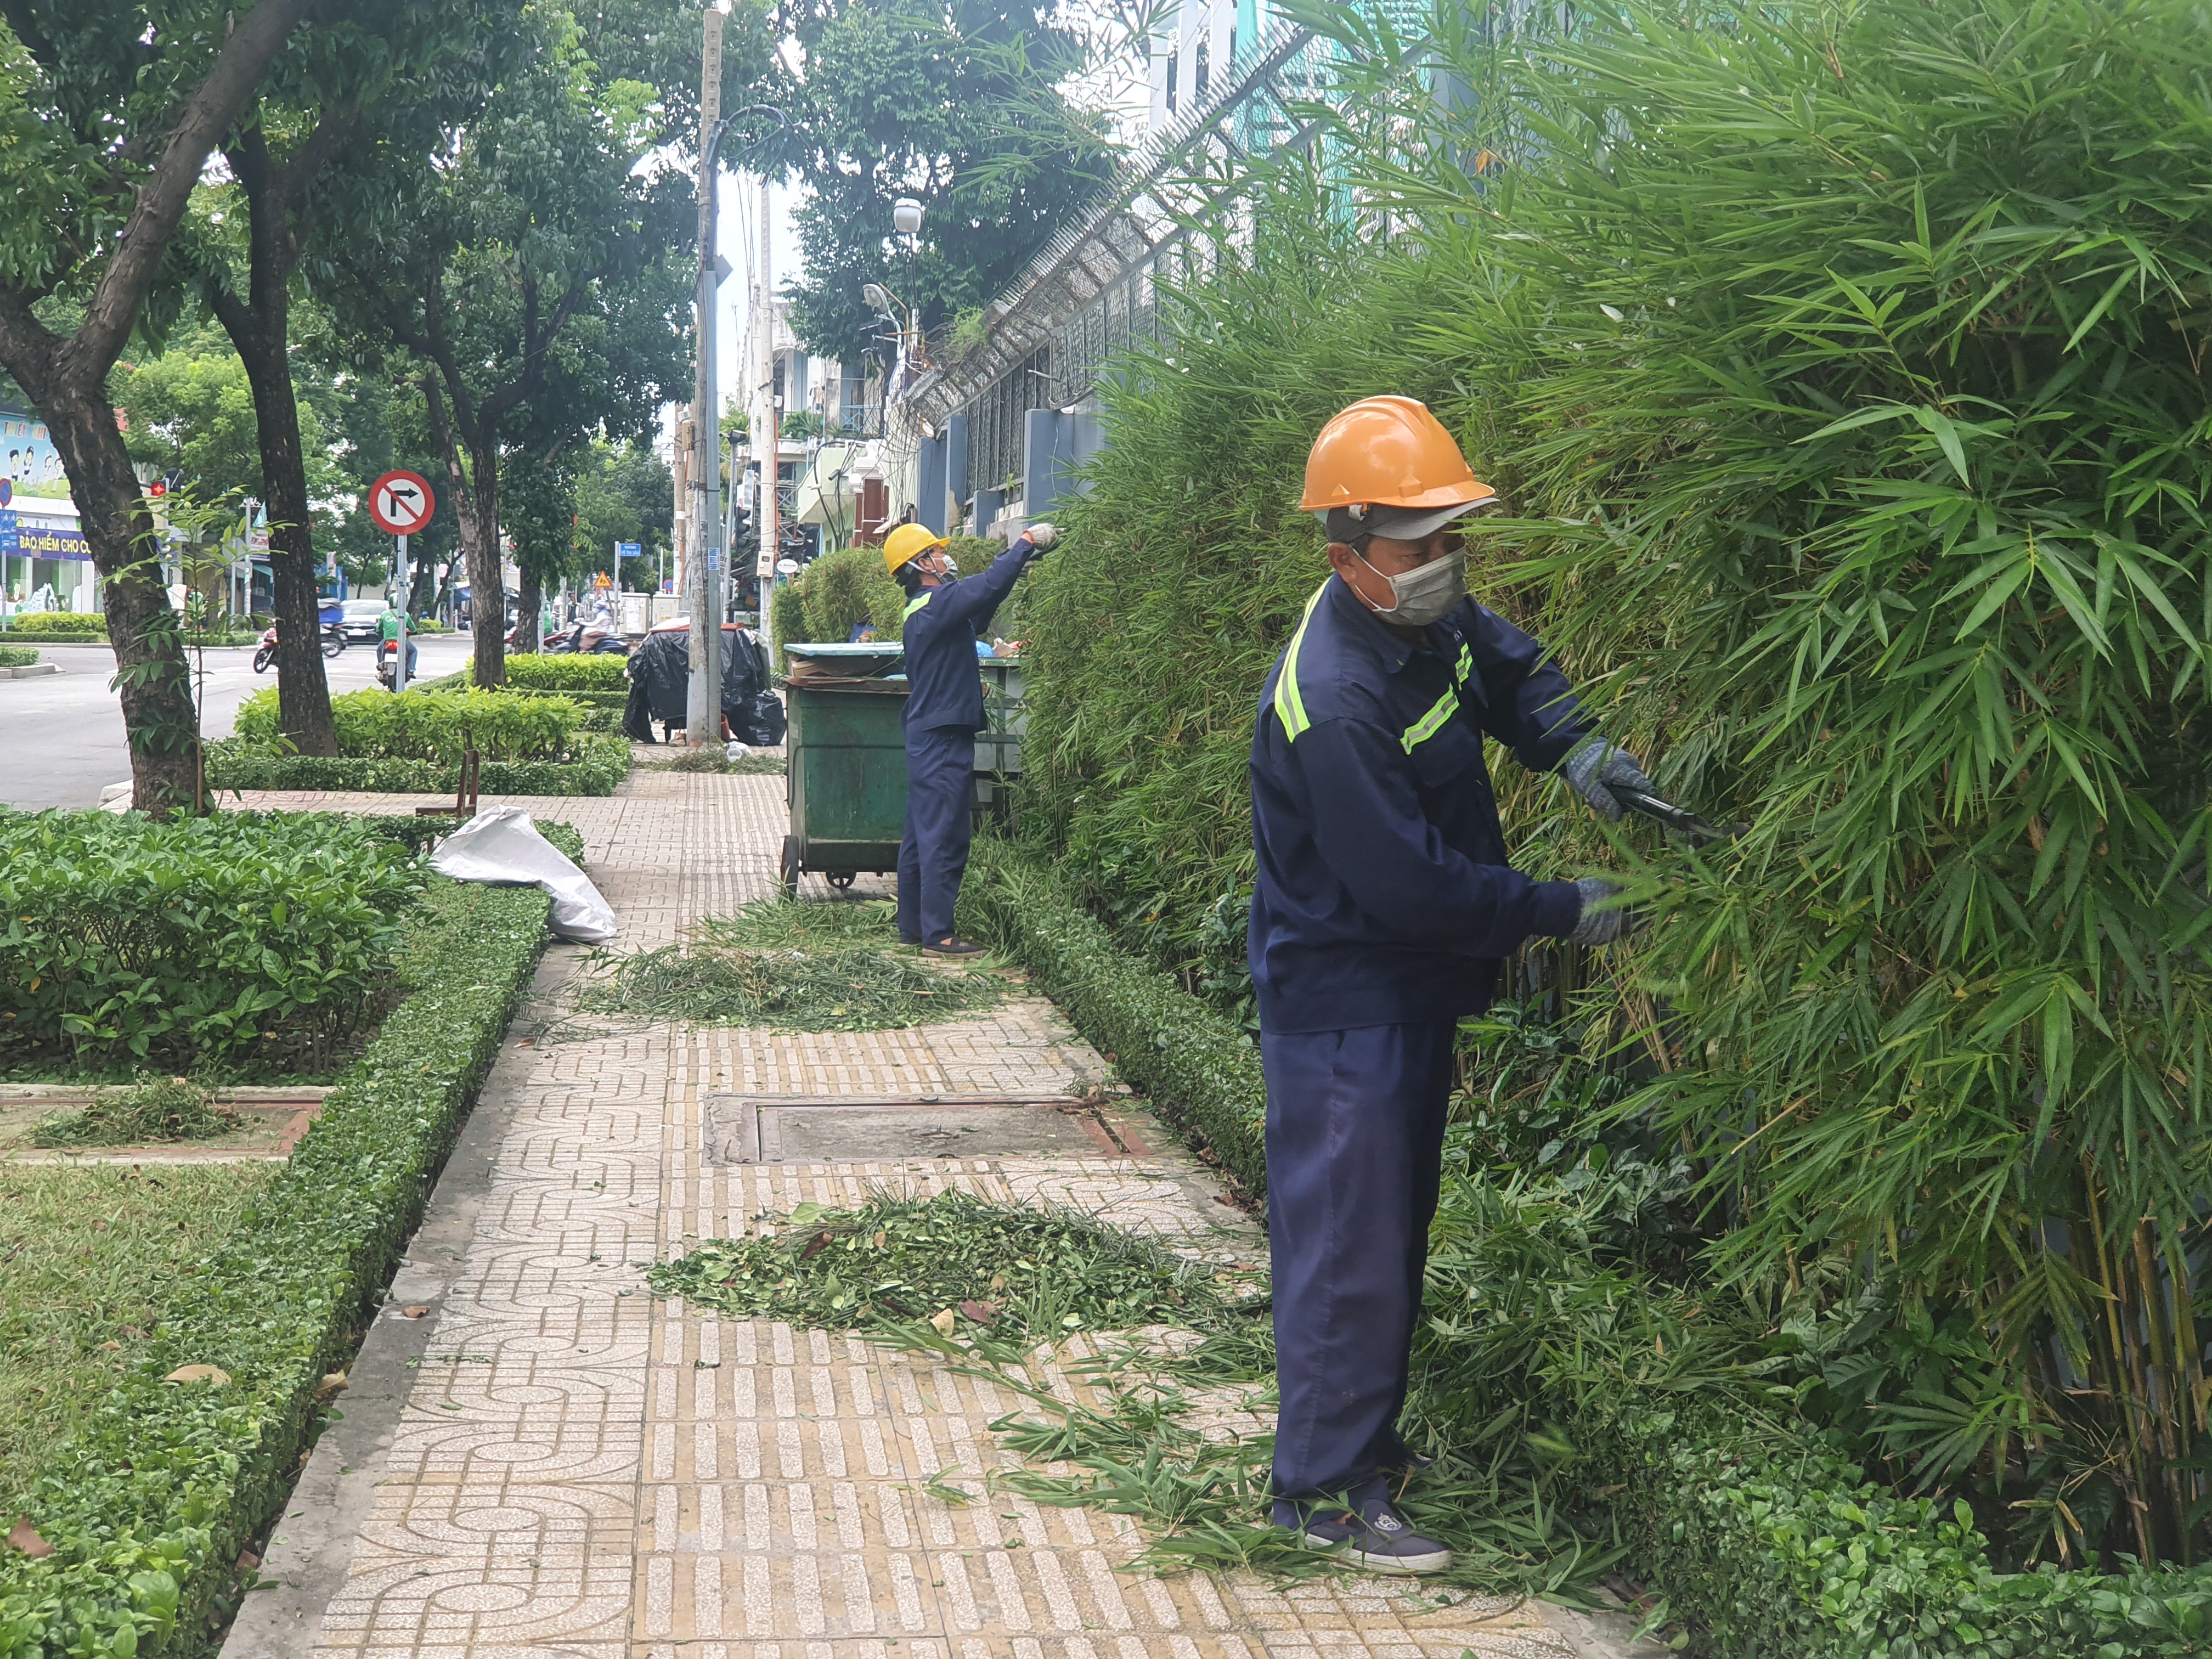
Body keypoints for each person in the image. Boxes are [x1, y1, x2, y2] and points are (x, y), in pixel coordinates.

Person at [1250, 396, 1652, 1574]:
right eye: (1421, 546)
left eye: (1450, 539)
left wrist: (1572, 744)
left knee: (1388, 1231)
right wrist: (1560, 910)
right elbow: (1413, 886)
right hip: (1349, 1003)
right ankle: (1321, 1493)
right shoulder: (1333, 696)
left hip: (1405, 992)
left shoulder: (1418, 624)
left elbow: (1504, 664)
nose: (1445, 565)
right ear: (1350, 556)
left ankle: (1365, 1449)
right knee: (1349, 1246)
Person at [884, 521, 1055, 954]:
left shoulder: (928, 608)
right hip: (942, 737)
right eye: (938, 553)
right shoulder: (935, 603)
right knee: (945, 834)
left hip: (931, 731)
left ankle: (914, 929)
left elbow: (984, 602)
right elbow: (985, 585)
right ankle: (939, 935)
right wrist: (1024, 544)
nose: (946, 559)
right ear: (921, 564)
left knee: (922, 835)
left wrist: (1022, 565)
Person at [377, 595, 417, 679]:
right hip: (402, 641)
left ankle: (381, 666)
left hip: (387, 640)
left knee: (379, 650)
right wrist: (413, 632)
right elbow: (413, 629)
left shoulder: (384, 614)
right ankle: (411, 670)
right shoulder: (406, 615)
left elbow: (379, 628)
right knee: (413, 652)